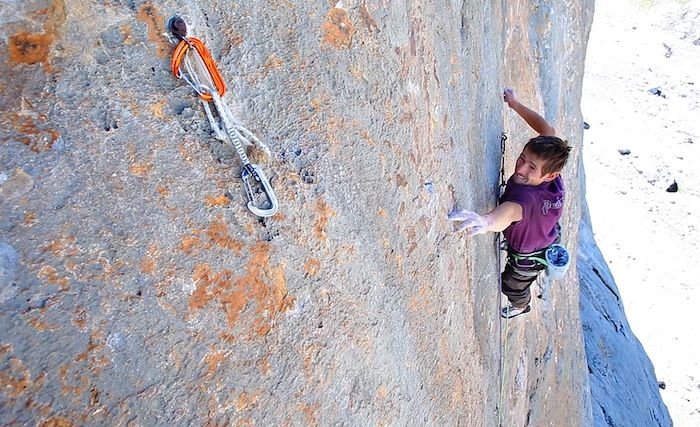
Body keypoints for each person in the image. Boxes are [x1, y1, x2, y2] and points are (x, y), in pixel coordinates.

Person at [448, 88, 571, 318]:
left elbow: (508, 212)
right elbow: (547, 129)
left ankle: (521, 306)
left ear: (550, 176)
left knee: (512, 284)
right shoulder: (552, 169)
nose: (521, 168)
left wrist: (486, 222)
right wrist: (515, 104)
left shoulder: (527, 199)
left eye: (531, 167)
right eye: (523, 158)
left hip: (527, 256)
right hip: (547, 231)